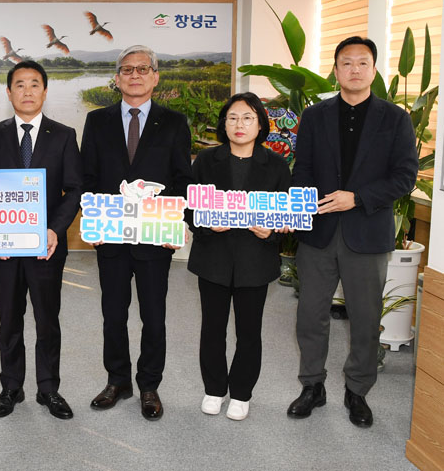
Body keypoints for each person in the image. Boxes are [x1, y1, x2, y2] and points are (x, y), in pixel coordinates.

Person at [288, 36, 418, 428]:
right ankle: (312, 385)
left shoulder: (394, 118)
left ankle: (357, 390)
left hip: (368, 232)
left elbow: (405, 177)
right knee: (310, 315)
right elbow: (303, 169)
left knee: (365, 316)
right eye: (347, 63)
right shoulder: (315, 116)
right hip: (319, 231)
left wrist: (357, 198)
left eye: (363, 63)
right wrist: (302, 207)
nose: (355, 69)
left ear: (374, 70)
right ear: (336, 70)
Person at [81, 44, 192, 420]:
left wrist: (174, 221)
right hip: (111, 236)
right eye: (127, 70)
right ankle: (117, 380)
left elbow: (182, 181)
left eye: (143, 69)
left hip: (153, 238)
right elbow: (88, 178)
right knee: (113, 314)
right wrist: (91, 219)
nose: (135, 75)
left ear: (155, 77)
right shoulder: (97, 122)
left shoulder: (174, 122)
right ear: (117, 79)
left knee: (154, 316)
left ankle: (149, 385)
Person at [0, 60, 82, 420]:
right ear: (9, 92)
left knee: (46, 317)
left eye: (34, 84)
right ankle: (11, 386)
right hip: (5, 247)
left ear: (45, 91)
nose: (27, 91)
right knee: (9, 317)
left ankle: (49, 388)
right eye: (19, 85)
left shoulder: (64, 134)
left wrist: (54, 229)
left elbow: (74, 189)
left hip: (47, 246)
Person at [187, 92, 291, 421]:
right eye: (232, 117)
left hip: (254, 261)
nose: (239, 124)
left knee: (249, 330)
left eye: (247, 117)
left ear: (260, 124)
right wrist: (206, 223)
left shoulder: (274, 165)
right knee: (212, 328)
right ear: (224, 124)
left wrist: (271, 231)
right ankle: (214, 389)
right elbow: (190, 210)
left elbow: (287, 214)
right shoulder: (205, 161)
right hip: (213, 259)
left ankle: (242, 393)